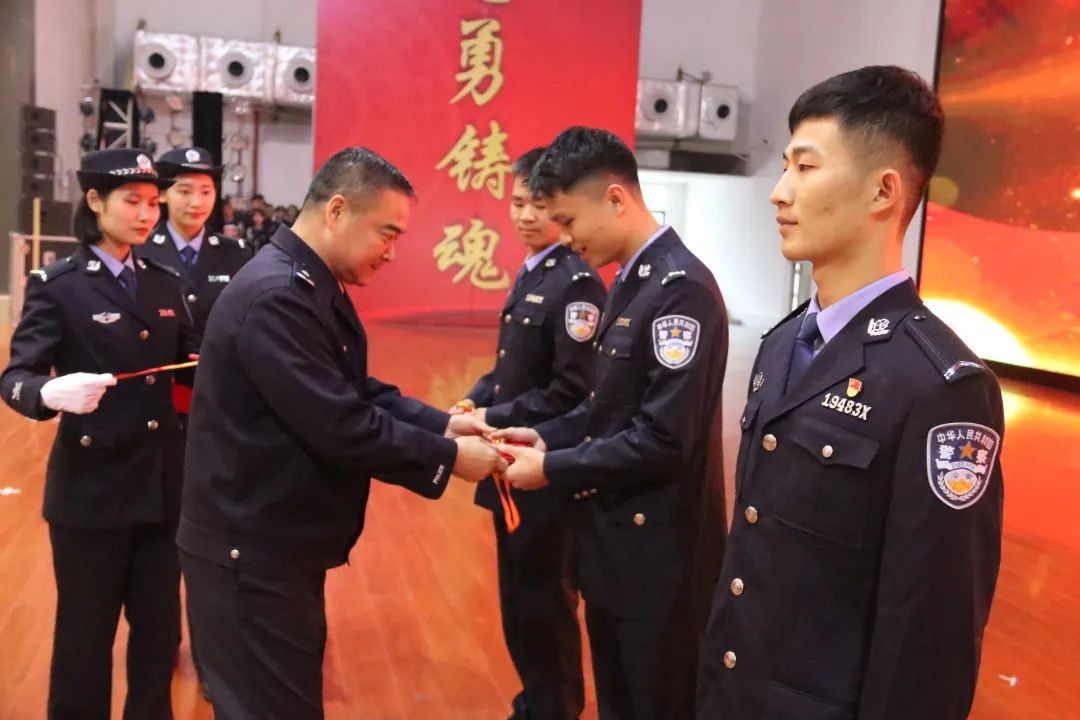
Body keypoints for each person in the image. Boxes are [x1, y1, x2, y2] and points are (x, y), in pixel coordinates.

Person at [696, 66, 1005, 719]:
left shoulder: (940, 386)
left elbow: (930, 635)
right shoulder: (783, 344)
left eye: (805, 168)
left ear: (882, 192)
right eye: (785, 166)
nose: (779, 192)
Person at [177, 146, 507, 718]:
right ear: (336, 210)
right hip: (249, 556)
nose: (392, 252)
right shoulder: (279, 295)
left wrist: (444, 422)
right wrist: (450, 457)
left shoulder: (307, 283)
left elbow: (351, 388)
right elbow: (340, 424)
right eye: (386, 233)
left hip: (274, 545)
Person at [498, 127, 729, 719]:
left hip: (659, 562)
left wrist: (551, 468)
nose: (564, 237)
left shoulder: (680, 291)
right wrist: (543, 435)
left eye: (569, 220)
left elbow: (663, 439)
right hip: (612, 549)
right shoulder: (631, 282)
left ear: (616, 199)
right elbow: (604, 408)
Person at [1, 148, 200, 719]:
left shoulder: (164, 282)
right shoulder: (58, 285)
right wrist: (46, 393)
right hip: (91, 490)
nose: (147, 215)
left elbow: (191, 359)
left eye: (154, 203)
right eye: (133, 202)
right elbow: (15, 377)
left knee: (158, 635)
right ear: (94, 200)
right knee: (84, 640)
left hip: (161, 486)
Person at [451, 147, 605, 720]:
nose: (525, 215)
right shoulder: (533, 271)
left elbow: (571, 391)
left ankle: (555, 707)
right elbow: (509, 368)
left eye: (538, 205)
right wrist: (476, 398)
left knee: (545, 599)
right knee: (517, 596)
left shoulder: (576, 284)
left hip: (544, 465)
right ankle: (533, 701)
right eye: (517, 202)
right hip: (508, 461)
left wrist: (493, 418)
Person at [135, 145, 253, 700]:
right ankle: (161, 649)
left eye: (206, 191)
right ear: (163, 195)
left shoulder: (236, 254)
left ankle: (215, 661)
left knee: (213, 545)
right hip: (156, 420)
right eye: (184, 190)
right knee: (162, 540)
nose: (196, 201)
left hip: (219, 420)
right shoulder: (140, 250)